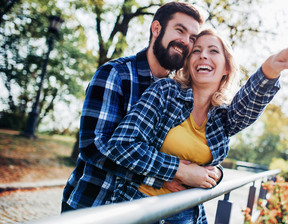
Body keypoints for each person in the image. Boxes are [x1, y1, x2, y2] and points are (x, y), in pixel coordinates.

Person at [106, 29, 288, 224]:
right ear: (188, 64)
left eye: (213, 51)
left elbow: (249, 102)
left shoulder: (223, 117)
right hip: (136, 212)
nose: (203, 55)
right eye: (196, 51)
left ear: (226, 67)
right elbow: (121, 145)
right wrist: (180, 171)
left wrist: (270, 68)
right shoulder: (164, 92)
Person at [61, 2, 223, 213]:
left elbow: (192, 148)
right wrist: (162, 177)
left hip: (140, 219)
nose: (185, 42)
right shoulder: (115, 74)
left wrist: (215, 173)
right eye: (179, 30)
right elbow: (94, 147)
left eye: (192, 38)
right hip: (93, 205)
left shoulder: (181, 93)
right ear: (156, 29)